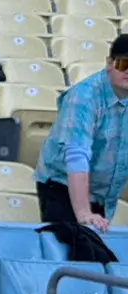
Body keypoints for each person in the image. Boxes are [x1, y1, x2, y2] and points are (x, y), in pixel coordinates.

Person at [34, 36, 128, 232]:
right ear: (109, 63)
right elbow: (77, 155)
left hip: (104, 194)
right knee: (79, 252)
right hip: (62, 187)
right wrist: (84, 214)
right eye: (123, 63)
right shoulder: (84, 96)